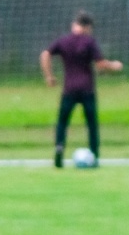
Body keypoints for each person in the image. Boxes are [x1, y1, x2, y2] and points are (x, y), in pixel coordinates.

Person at [40, 11, 123, 168]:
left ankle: (59, 150)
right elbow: (100, 64)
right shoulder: (89, 41)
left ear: (75, 24)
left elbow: (45, 54)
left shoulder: (64, 41)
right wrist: (114, 66)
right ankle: (94, 155)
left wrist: (49, 76)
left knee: (62, 122)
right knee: (91, 124)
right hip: (87, 89)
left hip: (69, 89)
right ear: (87, 27)